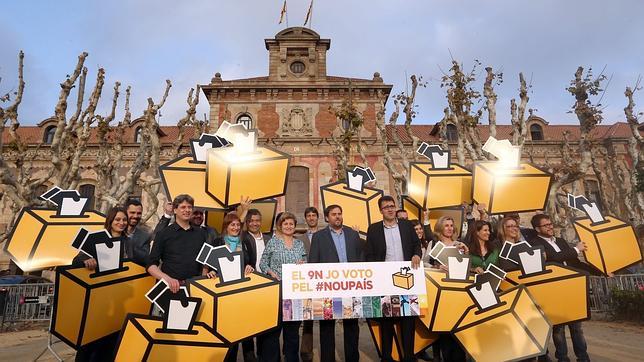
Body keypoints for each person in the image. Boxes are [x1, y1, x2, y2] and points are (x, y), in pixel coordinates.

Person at [72, 206, 137, 362]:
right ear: (110, 221)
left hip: (119, 296)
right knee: (90, 342)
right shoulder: (97, 239)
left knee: (111, 343)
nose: (121, 223)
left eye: (124, 220)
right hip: (98, 298)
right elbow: (76, 261)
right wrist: (85, 260)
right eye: (117, 220)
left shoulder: (129, 243)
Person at [365, 196, 422, 362]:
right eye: (386, 207)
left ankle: (409, 357)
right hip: (385, 281)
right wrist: (378, 273)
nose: (390, 209)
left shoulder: (406, 226)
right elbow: (369, 254)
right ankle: (387, 357)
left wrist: (417, 254)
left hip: (407, 278)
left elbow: (416, 244)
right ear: (380, 210)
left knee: (408, 319)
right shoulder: (374, 229)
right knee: (387, 321)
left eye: (392, 206)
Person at [530, 214, 591, 362]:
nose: (550, 227)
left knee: (577, 327)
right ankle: (562, 358)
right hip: (554, 292)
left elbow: (575, 263)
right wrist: (576, 249)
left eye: (551, 224)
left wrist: (601, 272)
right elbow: (553, 258)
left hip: (571, 290)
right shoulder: (535, 244)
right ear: (537, 228)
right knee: (559, 329)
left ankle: (583, 358)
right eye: (546, 225)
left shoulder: (561, 241)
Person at [308, 205, 364, 362]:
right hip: (327, 289)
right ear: (327, 218)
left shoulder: (353, 234)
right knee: (327, 328)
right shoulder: (319, 237)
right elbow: (313, 262)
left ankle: (352, 359)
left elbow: (361, 257)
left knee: (352, 327)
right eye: (334, 214)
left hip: (351, 287)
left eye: (340, 213)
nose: (338, 216)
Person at [259, 212, 307, 362]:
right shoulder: (273, 242)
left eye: (291, 224)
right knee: (273, 332)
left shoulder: (299, 244)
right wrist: (270, 271)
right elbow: (263, 263)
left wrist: (303, 265)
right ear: (280, 226)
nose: (288, 226)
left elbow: (305, 263)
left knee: (292, 333)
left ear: (294, 226)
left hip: (294, 294)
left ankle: (292, 358)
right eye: (285, 224)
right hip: (276, 292)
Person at [213, 213, 257, 362]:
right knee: (228, 330)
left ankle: (249, 358)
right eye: (232, 225)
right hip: (224, 293)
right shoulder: (217, 241)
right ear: (226, 226)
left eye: (238, 225)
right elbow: (210, 264)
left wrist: (250, 267)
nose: (236, 227)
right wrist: (212, 271)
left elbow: (252, 260)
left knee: (247, 331)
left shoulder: (246, 241)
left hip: (243, 291)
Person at [147, 194, 209, 294]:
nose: (187, 210)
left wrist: (203, 281)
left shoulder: (201, 233)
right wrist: (168, 279)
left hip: (195, 288)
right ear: (175, 210)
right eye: (183, 207)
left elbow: (204, 261)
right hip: (170, 288)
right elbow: (151, 265)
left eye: (189, 207)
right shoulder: (163, 234)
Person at [295, 206, 320, 362]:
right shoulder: (300, 239)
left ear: (317, 218)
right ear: (306, 218)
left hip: (321, 281)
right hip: (304, 281)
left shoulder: (326, 235)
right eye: (308, 215)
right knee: (303, 317)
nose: (311, 218)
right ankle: (303, 351)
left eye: (313, 215)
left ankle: (314, 352)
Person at [154, 202, 219, 244]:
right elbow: (156, 237)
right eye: (195, 213)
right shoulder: (177, 229)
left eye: (201, 214)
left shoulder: (211, 232)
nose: (198, 216)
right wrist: (167, 214)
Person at [124, 198, 153, 263]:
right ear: (125, 212)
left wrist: (129, 244)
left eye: (139, 213)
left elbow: (144, 258)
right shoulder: (116, 232)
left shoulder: (145, 236)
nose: (136, 216)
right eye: (132, 212)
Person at [245, 208, 272, 273]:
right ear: (246, 222)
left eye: (257, 220)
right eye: (251, 221)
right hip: (252, 276)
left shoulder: (268, 239)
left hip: (269, 277)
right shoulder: (243, 238)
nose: (255, 223)